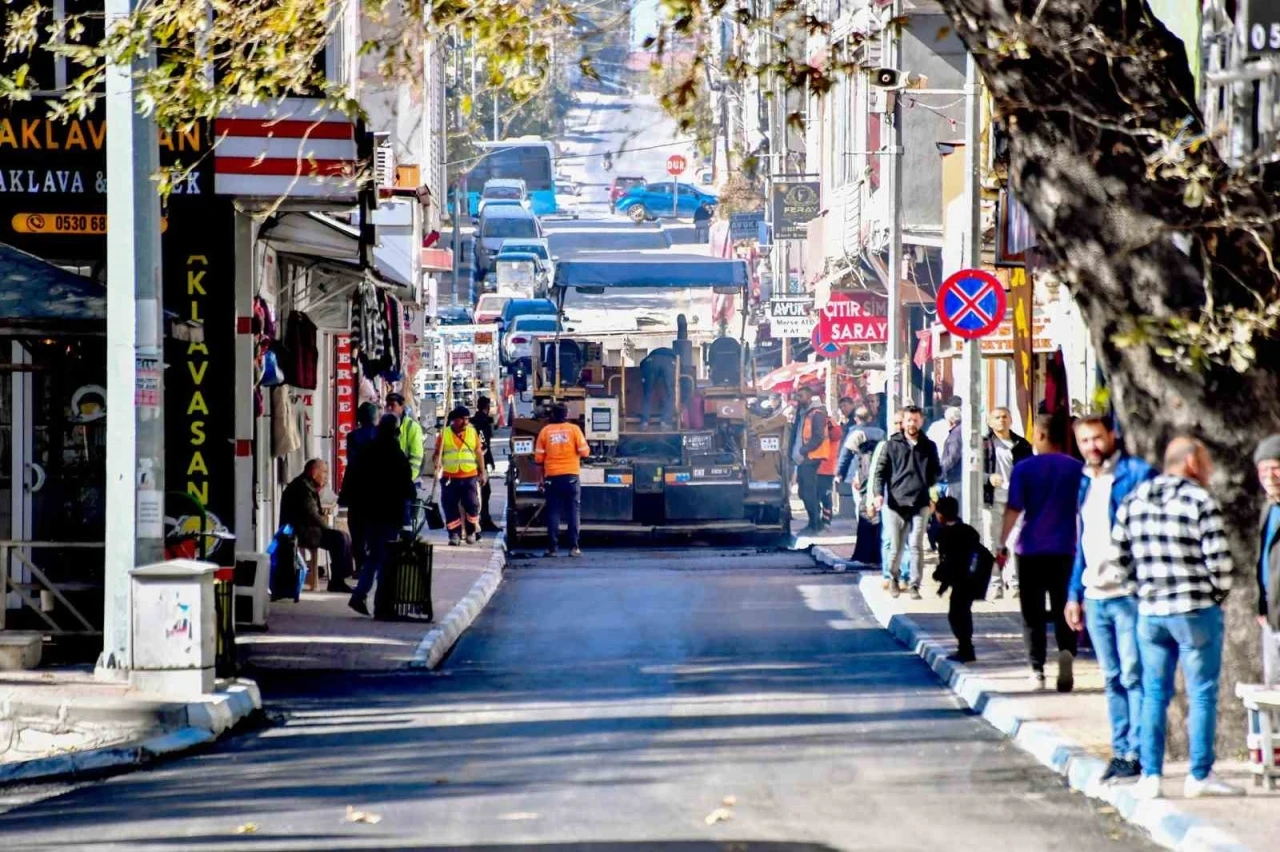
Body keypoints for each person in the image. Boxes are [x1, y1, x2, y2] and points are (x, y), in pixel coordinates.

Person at [1114, 437, 1243, 800]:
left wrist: (1141, 592)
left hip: (1151, 612)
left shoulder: (1134, 500)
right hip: (1195, 610)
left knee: (1155, 693)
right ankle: (1199, 774)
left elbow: (1118, 556)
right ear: (1190, 462)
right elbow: (1218, 561)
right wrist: (1217, 595)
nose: (1209, 469)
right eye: (1205, 461)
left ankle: (1151, 775)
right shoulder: (1200, 500)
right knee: (1201, 693)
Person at [1064, 414, 1156, 783]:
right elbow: (1082, 544)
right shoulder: (1085, 482)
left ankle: (1140, 751)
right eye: (1084, 441)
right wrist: (1074, 594)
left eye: (1097, 438)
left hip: (1128, 594)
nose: (1092, 446)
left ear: (1112, 436)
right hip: (1095, 594)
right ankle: (1121, 751)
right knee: (1112, 676)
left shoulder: (1136, 474)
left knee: (1135, 674)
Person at [998, 413, 1083, 691]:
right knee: (1064, 609)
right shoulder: (1076, 469)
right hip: (1065, 548)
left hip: (1031, 548)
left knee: (1031, 614)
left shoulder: (1025, 468)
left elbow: (1014, 509)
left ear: (1042, 436)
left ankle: (1036, 669)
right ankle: (1066, 653)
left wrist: (1001, 542)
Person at [343, 415, 416, 616]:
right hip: (389, 516)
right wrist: (406, 521)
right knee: (385, 560)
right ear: (395, 432)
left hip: (367, 515)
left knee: (374, 557)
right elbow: (406, 489)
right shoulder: (396, 455)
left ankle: (359, 595)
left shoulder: (366, 452)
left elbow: (353, 480)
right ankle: (382, 606)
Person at [872, 404, 940, 599]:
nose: (912, 424)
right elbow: (880, 473)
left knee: (917, 544)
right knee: (896, 545)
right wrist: (878, 494)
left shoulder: (929, 446)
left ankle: (914, 584)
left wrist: (931, 493)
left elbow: (936, 472)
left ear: (921, 422)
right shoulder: (891, 445)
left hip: (920, 502)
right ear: (903, 422)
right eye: (909, 420)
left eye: (915, 420)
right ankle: (893, 578)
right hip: (895, 503)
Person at [933, 495, 994, 663]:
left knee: (957, 614)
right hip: (973, 577)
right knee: (962, 612)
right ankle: (966, 647)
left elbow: (948, 561)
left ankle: (966, 649)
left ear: (941, 515)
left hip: (962, 580)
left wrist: (940, 578)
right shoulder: (967, 530)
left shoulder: (944, 534)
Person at [280, 459, 354, 593]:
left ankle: (340, 578)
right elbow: (312, 514)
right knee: (339, 538)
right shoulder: (303, 488)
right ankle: (337, 581)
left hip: (305, 528)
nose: (326, 476)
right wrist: (328, 529)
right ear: (314, 472)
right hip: (300, 531)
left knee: (343, 536)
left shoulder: (306, 484)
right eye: (324, 472)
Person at [982, 407, 1033, 598]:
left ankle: (1015, 582)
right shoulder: (983, 444)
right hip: (992, 500)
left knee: (1015, 541)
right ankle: (996, 583)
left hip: (1016, 501)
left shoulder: (1022, 445)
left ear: (1010, 420)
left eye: (1005, 417)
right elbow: (973, 471)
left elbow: (1031, 470)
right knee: (993, 542)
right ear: (990, 421)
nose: (1001, 420)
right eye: (997, 417)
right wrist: (988, 478)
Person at [535, 402, 590, 557]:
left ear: (552, 415)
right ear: (567, 415)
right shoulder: (574, 430)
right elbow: (584, 452)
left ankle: (552, 549)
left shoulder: (545, 432)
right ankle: (574, 548)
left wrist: (540, 480)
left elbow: (539, 458)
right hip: (571, 477)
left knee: (553, 512)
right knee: (573, 512)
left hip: (552, 477)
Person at [431, 405, 487, 545]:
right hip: (450, 477)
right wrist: (436, 462)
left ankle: (471, 531)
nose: (466, 422)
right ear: (455, 420)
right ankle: (454, 535)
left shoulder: (472, 432)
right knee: (450, 506)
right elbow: (437, 453)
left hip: (469, 476)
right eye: (463, 419)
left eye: (467, 419)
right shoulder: (445, 434)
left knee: (472, 505)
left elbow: (478, 453)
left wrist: (482, 471)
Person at [864, 408, 908, 581]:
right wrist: (872, 498)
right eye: (895, 423)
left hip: (911, 501)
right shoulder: (885, 446)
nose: (898, 427)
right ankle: (889, 575)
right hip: (889, 501)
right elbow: (876, 474)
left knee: (909, 542)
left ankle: (904, 576)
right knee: (889, 539)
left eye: (901, 423)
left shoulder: (917, 445)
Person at [343, 401, 381, 576]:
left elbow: (353, 463)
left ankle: (360, 567)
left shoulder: (353, 437)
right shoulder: (384, 436)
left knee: (357, 531)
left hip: (357, 492)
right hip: (377, 492)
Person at [1255, 435, 1280, 685]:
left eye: (1276, 468)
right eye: (1263, 469)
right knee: (1273, 689)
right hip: (1272, 618)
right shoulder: (1269, 509)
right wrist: (1261, 606)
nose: (1269, 476)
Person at [791, 386, 831, 534]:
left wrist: (803, 450)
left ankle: (815, 524)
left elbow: (818, 437)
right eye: (797, 395)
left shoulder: (817, 413)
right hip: (805, 457)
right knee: (804, 492)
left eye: (800, 396)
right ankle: (815, 522)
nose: (798, 398)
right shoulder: (803, 412)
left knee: (808, 492)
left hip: (812, 457)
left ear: (809, 396)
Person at [471, 396, 502, 533]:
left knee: (480, 492)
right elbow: (483, 445)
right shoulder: (482, 423)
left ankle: (480, 518)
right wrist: (488, 461)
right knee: (484, 491)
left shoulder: (473, 421)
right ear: (487, 407)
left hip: (472, 461)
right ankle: (482, 519)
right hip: (479, 461)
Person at [386, 392, 425, 481]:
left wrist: (408, 479)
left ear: (401, 407)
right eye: (387, 405)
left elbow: (416, 457)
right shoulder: (382, 425)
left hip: (404, 479)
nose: (389, 408)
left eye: (392, 405)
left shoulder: (412, 427)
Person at [640, 347, 678, 429]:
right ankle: (665, 422)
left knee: (647, 394)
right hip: (669, 362)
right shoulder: (675, 357)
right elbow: (680, 370)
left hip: (651, 362)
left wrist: (644, 377)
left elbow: (642, 364)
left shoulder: (651, 355)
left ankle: (644, 422)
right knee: (670, 393)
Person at [815, 412, 842, 527]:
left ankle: (826, 520)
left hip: (826, 468)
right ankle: (818, 520)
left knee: (825, 495)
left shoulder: (831, 424)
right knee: (815, 495)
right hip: (816, 466)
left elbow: (836, 435)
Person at [938, 406, 964, 503]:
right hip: (957, 476)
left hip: (955, 477)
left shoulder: (955, 434)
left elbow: (953, 456)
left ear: (951, 421)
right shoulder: (960, 431)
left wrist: (941, 470)